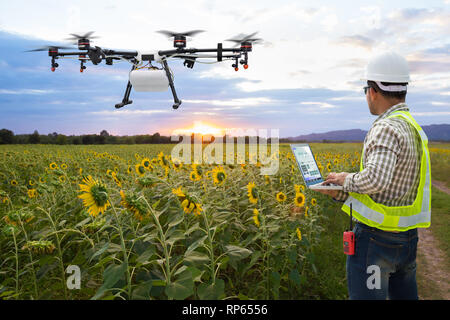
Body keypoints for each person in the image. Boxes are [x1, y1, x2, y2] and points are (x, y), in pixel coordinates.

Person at [316, 51, 431, 300]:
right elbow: (392, 189)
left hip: (377, 241)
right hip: (407, 239)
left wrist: (344, 179)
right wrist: (343, 192)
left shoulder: (386, 127)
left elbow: (377, 180)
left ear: (373, 91)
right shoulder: (412, 127)